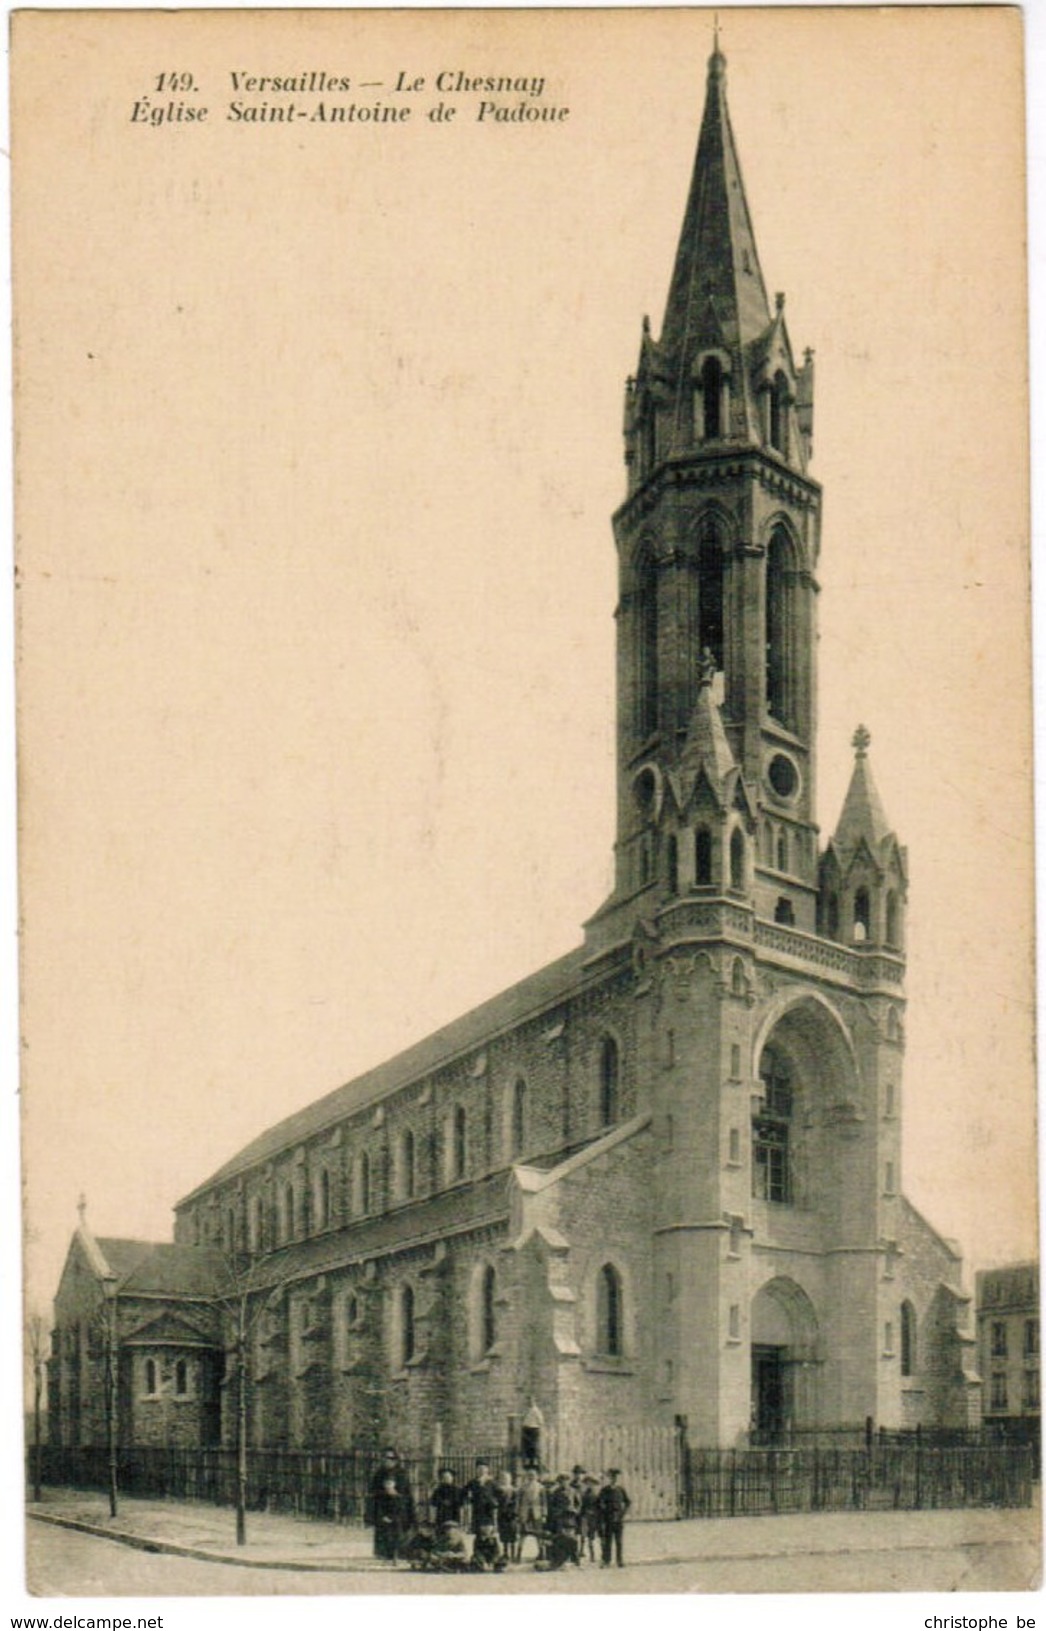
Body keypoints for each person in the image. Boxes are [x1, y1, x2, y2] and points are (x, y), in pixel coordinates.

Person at [369, 1447, 411, 1560]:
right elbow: (373, 1489)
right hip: (383, 1504)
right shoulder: (379, 1473)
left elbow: (406, 1492)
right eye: (385, 1458)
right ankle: (382, 1552)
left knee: (397, 1529)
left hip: (398, 1505)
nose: (387, 1460)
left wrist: (396, 1493)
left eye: (390, 1458)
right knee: (382, 1528)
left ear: (395, 1460)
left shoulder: (402, 1473)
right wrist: (382, 1492)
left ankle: (398, 1553)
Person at [597, 1467, 631, 1568]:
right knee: (608, 1540)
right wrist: (604, 1513)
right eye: (611, 1477)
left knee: (619, 1541)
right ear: (609, 1478)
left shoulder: (621, 1490)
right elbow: (599, 1503)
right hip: (608, 1518)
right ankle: (607, 1560)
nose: (613, 1479)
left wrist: (623, 1513)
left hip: (618, 1518)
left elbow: (628, 1502)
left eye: (615, 1477)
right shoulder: (604, 1490)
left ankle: (619, 1561)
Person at [516, 1464, 546, 1561]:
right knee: (522, 1534)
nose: (531, 1477)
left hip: (537, 1514)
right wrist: (518, 1513)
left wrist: (544, 1514)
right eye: (529, 1475)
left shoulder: (541, 1487)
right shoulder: (522, 1487)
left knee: (539, 1534)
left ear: (537, 1476)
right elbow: (518, 1501)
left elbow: (544, 1502)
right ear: (526, 1476)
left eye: (533, 1475)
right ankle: (518, 1554)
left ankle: (541, 1554)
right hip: (524, 1513)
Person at [495, 1468, 520, 1561]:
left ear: (510, 1479)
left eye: (506, 1478)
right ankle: (505, 1553)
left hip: (512, 1515)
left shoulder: (514, 1490)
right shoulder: (498, 1490)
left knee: (512, 1533)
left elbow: (516, 1502)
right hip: (502, 1514)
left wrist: (514, 1511)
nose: (505, 1479)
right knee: (504, 1534)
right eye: (503, 1478)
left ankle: (513, 1553)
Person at [579, 1474, 601, 1563]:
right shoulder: (583, 1494)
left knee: (591, 1536)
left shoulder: (596, 1495)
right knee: (583, 1535)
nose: (589, 1485)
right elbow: (581, 1506)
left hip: (593, 1517)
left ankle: (592, 1555)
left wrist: (596, 1514)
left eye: (591, 1483)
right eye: (587, 1483)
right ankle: (581, 1551)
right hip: (585, 1516)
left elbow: (599, 1507)